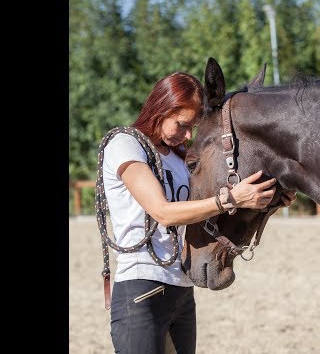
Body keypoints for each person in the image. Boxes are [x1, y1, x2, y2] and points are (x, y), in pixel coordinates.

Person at [101, 71, 297, 354]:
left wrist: (267, 202)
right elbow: (163, 212)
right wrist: (230, 198)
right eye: (182, 125)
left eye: (192, 127)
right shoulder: (125, 145)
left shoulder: (183, 159)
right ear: (161, 108)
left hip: (182, 287)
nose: (188, 135)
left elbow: (203, 215)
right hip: (142, 287)